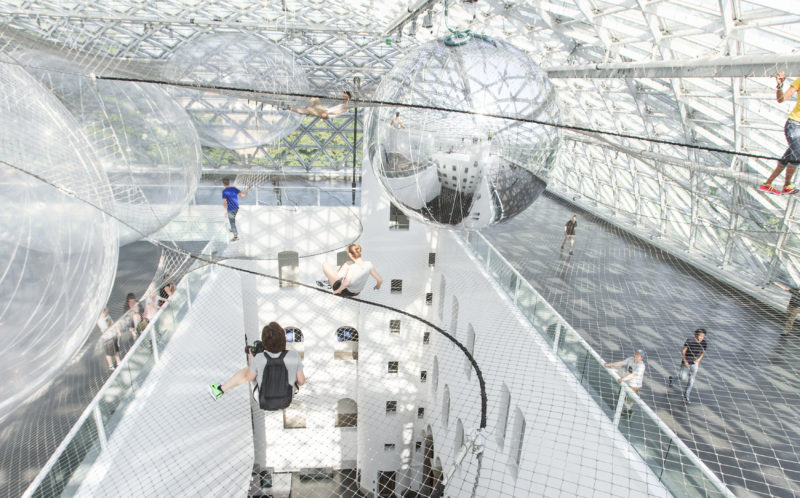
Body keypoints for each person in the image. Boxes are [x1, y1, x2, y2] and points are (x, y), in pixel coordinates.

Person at [209, 322, 305, 403]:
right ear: (284, 342)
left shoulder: (261, 359)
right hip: (286, 398)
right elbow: (301, 381)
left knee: (248, 371)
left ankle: (219, 390)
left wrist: (253, 358)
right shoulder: (293, 357)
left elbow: (250, 377)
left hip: (264, 400)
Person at [759, 71, 800, 195]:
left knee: (789, 157)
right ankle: (787, 184)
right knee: (797, 155)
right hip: (795, 125)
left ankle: (767, 183)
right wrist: (780, 86)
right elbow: (781, 99)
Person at [318, 243, 383, 297]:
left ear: (350, 254)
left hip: (347, 292)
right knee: (348, 262)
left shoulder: (352, 268)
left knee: (325, 264)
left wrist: (337, 291)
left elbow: (346, 283)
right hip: (357, 292)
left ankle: (330, 283)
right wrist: (377, 287)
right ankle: (334, 279)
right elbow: (380, 280)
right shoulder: (369, 264)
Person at [668, 329, 708, 404]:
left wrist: (698, 360)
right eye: (700, 335)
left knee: (691, 380)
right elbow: (683, 351)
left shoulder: (704, 343)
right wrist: (685, 361)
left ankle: (686, 395)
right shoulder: (690, 341)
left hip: (695, 363)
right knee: (682, 377)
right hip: (686, 361)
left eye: (703, 336)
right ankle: (672, 379)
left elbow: (703, 352)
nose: (702, 337)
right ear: (696, 335)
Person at [604, 349, 646, 416]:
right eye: (636, 354)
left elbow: (634, 375)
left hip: (634, 385)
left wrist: (623, 379)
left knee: (628, 400)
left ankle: (629, 411)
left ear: (642, 358)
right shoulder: (630, 359)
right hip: (626, 381)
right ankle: (624, 410)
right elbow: (621, 363)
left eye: (639, 355)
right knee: (620, 395)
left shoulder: (641, 366)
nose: (636, 356)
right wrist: (610, 364)